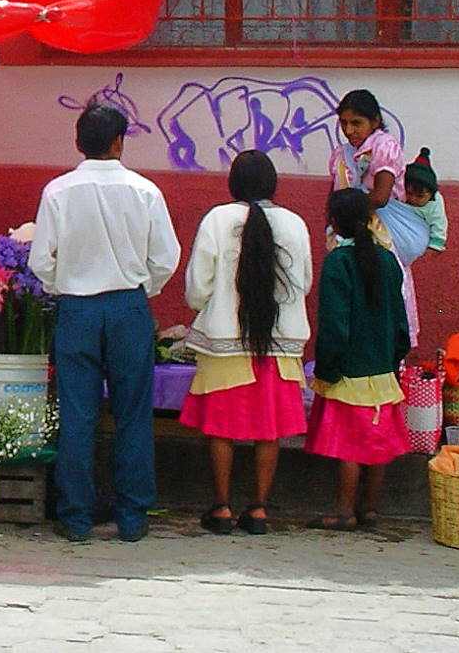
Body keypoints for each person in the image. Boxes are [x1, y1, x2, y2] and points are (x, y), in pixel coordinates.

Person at [29, 102, 181, 544]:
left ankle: (75, 517)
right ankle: (132, 516)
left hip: (77, 309)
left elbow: (41, 261)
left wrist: (66, 284)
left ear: (79, 142)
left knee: (77, 413)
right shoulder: (145, 191)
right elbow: (166, 258)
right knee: (133, 412)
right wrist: (142, 288)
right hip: (127, 308)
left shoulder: (58, 192)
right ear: (119, 142)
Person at [179, 150, 313, 535]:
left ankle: (221, 507)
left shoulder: (217, 220)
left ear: (233, 184)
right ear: (273, 184)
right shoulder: (294, 223)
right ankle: (258, 510)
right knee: (268, 430)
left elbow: (198, 286)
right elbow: (303, 281)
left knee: (221, 428)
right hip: (279, 345)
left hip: (225, 341)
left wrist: (207, 305)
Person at [307, 188, 412, 531]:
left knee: (350, 447)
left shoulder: (338, 262)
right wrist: (394, 358)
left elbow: (334, 324)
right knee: (376, 444)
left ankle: (343, 511)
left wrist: (327, 367)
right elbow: (401, 320)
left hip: (349, 370)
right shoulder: (387, 260)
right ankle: (369, 510)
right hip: (382, 370)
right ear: (369, 219)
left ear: (334, 223)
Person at [328, 88, 420, 340]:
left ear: (376, 121)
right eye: (344, 123)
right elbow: (333, 196)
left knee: (384, 291)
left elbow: (380, 196)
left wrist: (347, 211)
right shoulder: (341, 154)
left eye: (356, 123)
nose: (349, 130)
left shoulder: (384, 146)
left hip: (382, 234)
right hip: (349, 232)